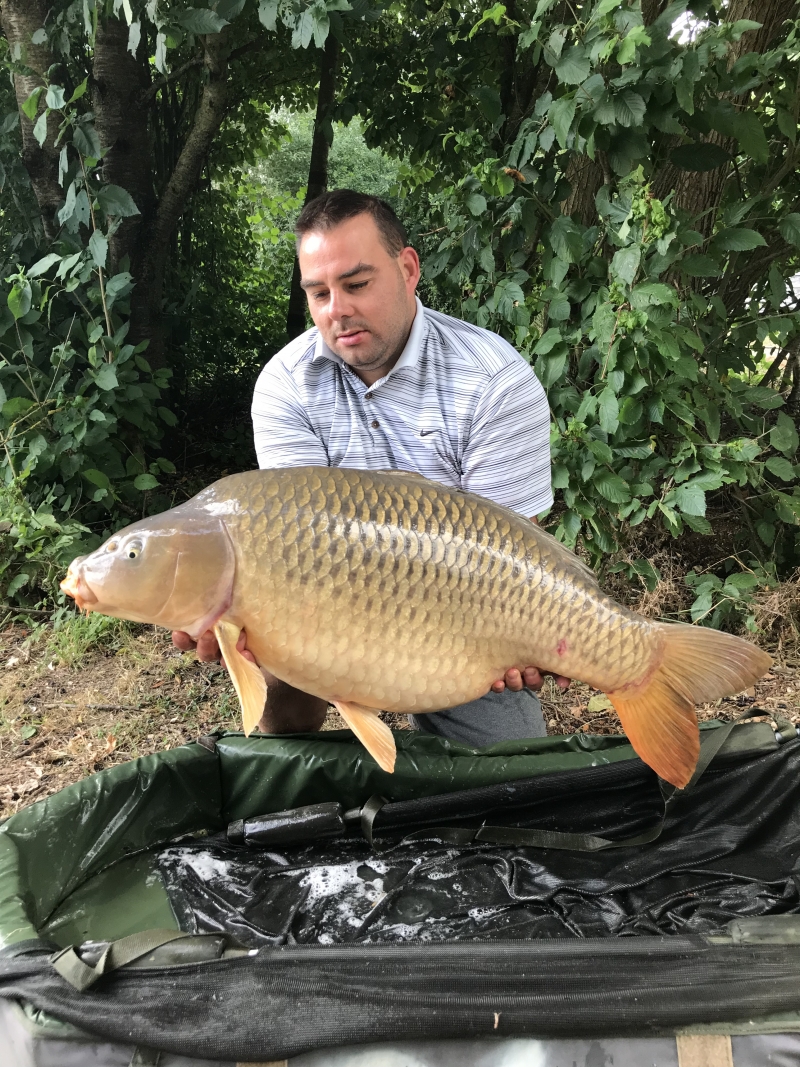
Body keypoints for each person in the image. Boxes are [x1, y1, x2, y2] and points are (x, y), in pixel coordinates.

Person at [173, 189, 569, 743]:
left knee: (507, 754)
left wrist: (520, 641)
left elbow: (508, 560)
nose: (337, 310)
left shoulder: (496, 382)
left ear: (408, 269)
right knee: (276, 687)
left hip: (460, 614)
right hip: (324, 605)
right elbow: (291, 549)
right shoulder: (285, 387)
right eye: (319, 293)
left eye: (356, 285)